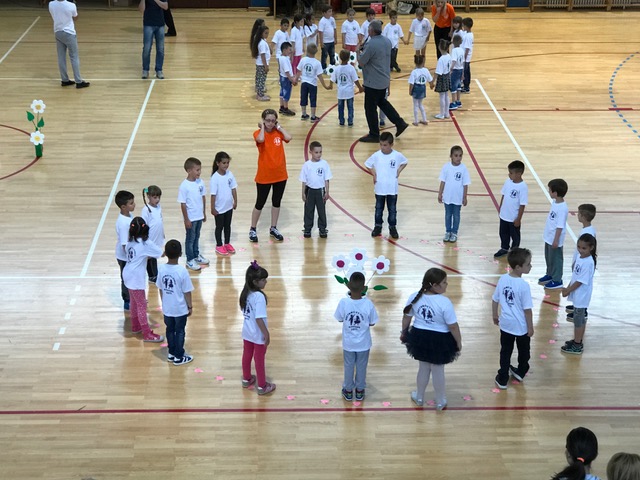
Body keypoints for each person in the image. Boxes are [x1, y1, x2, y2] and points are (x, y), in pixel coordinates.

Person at [401, 268, 462, 410]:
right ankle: (440, 400)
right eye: (444, 282)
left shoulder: (414, 297)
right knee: (438, 370)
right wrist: (458, 341)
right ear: (434, 285)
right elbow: (453, 326)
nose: (447, 284)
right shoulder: (444, 302)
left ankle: (419, 397)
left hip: (420, 337)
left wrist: (404, 332)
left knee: (423, 368)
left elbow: (406, 317)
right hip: (440, 339)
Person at [357, 20, 410, 143]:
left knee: (370, 108)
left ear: (371, 31)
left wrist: (358, 51)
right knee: (382, 103)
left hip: (373, 82)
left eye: (369, 29)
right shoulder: (387, 41)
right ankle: (400, 123)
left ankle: (374, 134)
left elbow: (362, 62)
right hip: (384, 79)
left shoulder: (371, 44)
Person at [492, 247, 534, 390]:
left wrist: (494, 315)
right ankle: (521, 371)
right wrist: (530, 327)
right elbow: (527, 310)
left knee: (505, 351)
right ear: (518, 267)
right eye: (528, 264)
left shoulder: (503, 279)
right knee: (524, 351)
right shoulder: (524, 286)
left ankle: (503, 377)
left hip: (506, 325)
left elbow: (495, 299)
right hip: (521, 327)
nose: (530, 266)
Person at [335, 271, 379, 402]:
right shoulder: (368, 304)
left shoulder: (343, 302)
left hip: (349, 343)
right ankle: (360, 390)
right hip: (363, 344)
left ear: (348, 286)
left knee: (348, 365)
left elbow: (339, 318)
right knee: (361, 366)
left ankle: (348, 390)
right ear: (364, 288)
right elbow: (372, 322)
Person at [250, 109, 292, 243]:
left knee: (276, 202)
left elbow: (288, 137)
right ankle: (253, 228)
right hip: (264, 175)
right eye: (267, 120)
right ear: (263, 120)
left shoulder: (278, 132)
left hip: (280, 175)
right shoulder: (258, 133)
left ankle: (273, 227)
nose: (270, 123)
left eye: (273, 121)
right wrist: (262, 127)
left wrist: (279, 127)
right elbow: (260, 139)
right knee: (260, 203)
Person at [123, 217, 164, 343]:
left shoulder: (130, 242)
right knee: (141, 305)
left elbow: (140, 255)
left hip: (127, 275)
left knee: (134, 303)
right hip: (136, 278)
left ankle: (136, 326)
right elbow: (160, 253)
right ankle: (146, 333)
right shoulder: (146, 243)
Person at [240, 261, 276, 395]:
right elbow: (259, 318)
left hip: (247, 332)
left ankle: (246, 378)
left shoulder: (245, 293)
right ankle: (262, 386)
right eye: (263, 279)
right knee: (259, 359)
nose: (266, 282)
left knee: (247, 355)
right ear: (255, 282)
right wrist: (266, 334)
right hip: (258, 333)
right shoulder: (259, 297)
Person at [156, 239, 194, 365]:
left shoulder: (161, 269)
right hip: (180, 309)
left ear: (165, 253)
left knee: (170, 330)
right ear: (180, 254)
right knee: (180, 331)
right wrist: (190, 306)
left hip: (167, 308)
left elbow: (160, 288)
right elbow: (187, 292)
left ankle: (171, 353)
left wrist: (164, 302)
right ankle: (179, 356)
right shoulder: (182, 271)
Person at [364, 132, 408, 239]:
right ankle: (378, 226)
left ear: (391, 144)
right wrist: (374, 174)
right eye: (381, 145)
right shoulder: (376, 155)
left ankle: (392, 227)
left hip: (392, 188)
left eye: (385, 145)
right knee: (378, 208)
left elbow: (405, 162)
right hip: (380, 188)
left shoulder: (397, 155)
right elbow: (367, 164)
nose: (382, 147)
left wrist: (399, 170)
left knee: (392, 209)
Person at [561, 233, 596, 355]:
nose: (580, 250)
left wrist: (568, 290)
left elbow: (580, 281)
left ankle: (577, 345)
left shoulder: (588, 262)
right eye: (579, 247)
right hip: (578, 295)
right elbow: (575, 276)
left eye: (584, 248)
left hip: (582, 296)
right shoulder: (581, 258)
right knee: (579, 319)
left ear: (591, 248)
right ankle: (578, 340)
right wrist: (568, 287)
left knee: (578, 321)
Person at [48, 0, 90, 88]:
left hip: (57, 31)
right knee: (74, 56)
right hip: (69, 33)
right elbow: (75, 17)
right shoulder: (71, 5)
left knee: (61, 57)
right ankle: (78, 81)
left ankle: (64, 80)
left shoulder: (51, 4)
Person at [566, 204, 597, 320]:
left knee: (582, 289)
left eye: (579, 213)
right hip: (580, 261)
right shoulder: (587, 229)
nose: (577, 215)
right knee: (577, 286)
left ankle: (581, 310)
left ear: (583, 216)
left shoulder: (588, 233)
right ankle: (577, 307)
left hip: (582, 262)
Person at [178, 157, 209, 271]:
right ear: (189, 170)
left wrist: (204, 212)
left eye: (200, 169)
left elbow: (203, 198)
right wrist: (186, 219)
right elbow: (183, 204)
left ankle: (196, 255)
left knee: (196, 236)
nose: (199, 172)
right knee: (190, 238)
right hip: (191, 218)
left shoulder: (200, 182)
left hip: (199, 216)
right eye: (197, 170)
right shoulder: (184, 186)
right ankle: (190, 259)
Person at [539, 178, 569, 290]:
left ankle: (557, 280)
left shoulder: (562, 208)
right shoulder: (555, 202)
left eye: (550, 190)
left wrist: (556, 240)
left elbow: (560, 226)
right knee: (549, 257)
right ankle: (550, 274)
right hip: (549, 237)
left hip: (555, 239)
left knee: (556, 259)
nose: (548, 192)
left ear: (555, 193)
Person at [494, 160, 528, 258]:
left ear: (519, 174)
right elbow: (503, 195)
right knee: (503, 233)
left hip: (513, 218)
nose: (509, 174)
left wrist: (518, 219)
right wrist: (500, 208)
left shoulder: (523, 187)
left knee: (515, 236)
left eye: (511, 173)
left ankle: (514, 251)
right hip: (504, 215)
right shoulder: (508, 182)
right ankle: (504, 248)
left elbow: (522, 205)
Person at [438, 145, 470, 243]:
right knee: (448, 215)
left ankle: (454, 232)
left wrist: (464, 197)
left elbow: (465, 184)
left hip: (457, 198)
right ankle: (448, 231)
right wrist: (440, 193)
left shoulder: (463, 168)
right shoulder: (446, 167)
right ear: (451, 156)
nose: (458, 158)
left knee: (456, 215)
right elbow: (442, 181)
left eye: (460, 155)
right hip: (448, 197)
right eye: (456, 155)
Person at [300, 141, 332, 238]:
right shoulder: (307, 165)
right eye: (316, 152)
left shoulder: (324, 164)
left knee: (321, 211)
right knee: (308, 210)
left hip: (320, 190)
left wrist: (327, 192)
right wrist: (303, 193)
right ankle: (307, 229)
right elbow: (303, 180)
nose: (319, 154)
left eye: (320, 152)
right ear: (311, 152)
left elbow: (327, 179)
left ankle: (322, 229)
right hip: (309, 190)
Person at [209, 152, 238, 257]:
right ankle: (219, 245)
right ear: (218, 163)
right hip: (219, 209)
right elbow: (213, 195)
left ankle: (227, 243)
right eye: (224, 163)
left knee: (227, 226)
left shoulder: (230, 174)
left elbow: (233, 188)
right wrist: (212, 208)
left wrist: (235, 201)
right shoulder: (215, 178)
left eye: (227, 163)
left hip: (228, 207)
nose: (226, 165)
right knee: (219, 227)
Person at [296, 44, 332, 122]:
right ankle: (313, 116)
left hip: (304, 83)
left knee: (303, 98)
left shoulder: (303, 60)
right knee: (313, 99)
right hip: (312, 84)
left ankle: (304, 114)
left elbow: (298, 70)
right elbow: (320, 76)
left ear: (307, 51)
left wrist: (295, 79)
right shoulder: (317, 63)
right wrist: (325, 86)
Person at [331, 49, 363, 127]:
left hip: (340, 92)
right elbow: (355, 80)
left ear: (340, 57)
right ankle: (350, 121)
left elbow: (332, 79)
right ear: (349, 58)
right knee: (350, 107)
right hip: (349, 92)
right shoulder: (351, 68)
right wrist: (360, 88)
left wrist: (330, 85)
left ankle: (341, 121)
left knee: (340, 107)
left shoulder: (337, 68)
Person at [114, 190, 135, 310]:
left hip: (128, 256)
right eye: (131, 203)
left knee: (131, 277)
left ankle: (133, 298)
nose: (134, 205)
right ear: (123, 207)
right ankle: (127, 301)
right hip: (124, 257)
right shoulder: (123, 223)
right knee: (126, 278)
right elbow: (124, 244)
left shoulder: (129, 216)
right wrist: (131, 257)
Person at [140, 185, 165, 283]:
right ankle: (152, 275)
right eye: (155, 197)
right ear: (148, 197)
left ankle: (155, 274)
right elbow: (144, 225)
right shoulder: (146, 210)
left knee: (154, 255)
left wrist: (162, 233)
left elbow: (160, 220)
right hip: (150, 237)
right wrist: (145, 238)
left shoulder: (158, 207)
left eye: (159, 197)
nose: (157, 199)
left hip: (157, 236)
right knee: (150, 256)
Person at [139, 0, 168, 80]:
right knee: (147, 48)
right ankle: (145, 70)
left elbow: (165, 6)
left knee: (160, 49)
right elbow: (141, 10)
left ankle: (159, 70)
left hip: (160, 25)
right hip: (148, 24)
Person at [408, 54, 434, 126]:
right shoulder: (426, 70)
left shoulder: (414, 72)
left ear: (415, 62)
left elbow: (411, 83)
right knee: (420, 104)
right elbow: (430, 80)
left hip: (416, 88)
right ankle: (424, 119)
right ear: (423, 62)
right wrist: (431, 85)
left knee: (415, 105)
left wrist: (410, 91)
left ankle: (416, 121)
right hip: (423, 88)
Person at [251, 24, 271, 102]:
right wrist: (266, 66)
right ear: (261, 33)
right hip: (262, 64)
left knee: (259, 78)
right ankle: (260, 95)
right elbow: (263, 55)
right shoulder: (262, 43)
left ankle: (259, 93)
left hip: (260, 64)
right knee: (261, 80)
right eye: (265, 33)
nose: (267, 35)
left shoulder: (262, 41)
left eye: (268, 33)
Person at [433, 39, 452, 120]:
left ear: (439, 47)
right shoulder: (449, 56)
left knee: (442, 96)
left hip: (442, 78)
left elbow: (438, 72)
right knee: (446, 95)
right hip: (447, 76)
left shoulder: (441, 59)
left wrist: (432, 81)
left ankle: (441, 114)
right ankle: (446, 113)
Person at [278, 42, 297, 116]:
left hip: (282, 77)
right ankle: (285, 108)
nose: (290, 51)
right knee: (286, 93)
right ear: (284, 50)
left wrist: (291, 54)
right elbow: (287, 72)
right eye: (289, 50)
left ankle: (281, 107)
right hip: (286, 78)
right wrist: (292, 80)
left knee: (282, 92)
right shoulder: (285, 60)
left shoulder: (281, 57)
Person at [318, 5, 337, 70]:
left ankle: (332, 66)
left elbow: (334, 29)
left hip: (332, 41)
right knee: (324, 56)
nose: (330, 13)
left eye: (331, 11)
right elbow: (321, 32)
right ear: (324, 13)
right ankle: (323, 68)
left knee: (332, 55)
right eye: (329, 11)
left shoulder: (332, 19)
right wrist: (321, 42)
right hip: (325, 42)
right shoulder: (322, 21)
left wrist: (335, 38)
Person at [448, 34, 464, 111]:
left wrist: (451, 68)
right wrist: (463, 72)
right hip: (460, 69)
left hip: (455, 70)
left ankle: (453, 102)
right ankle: (458, 101)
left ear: (454, 42)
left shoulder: (454, 50)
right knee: (458, 86)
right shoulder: (462, 50)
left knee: (453, 86)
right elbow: (463, 62)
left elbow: (454, 60)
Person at [461, 17, 474, 93]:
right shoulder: (467, 34)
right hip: (465, 57)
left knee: (466, 72)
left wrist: (464, 58)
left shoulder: (468, 36)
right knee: (466, 71)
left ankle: (466, 87)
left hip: (466, 58)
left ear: (466, 26)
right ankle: (465, 85)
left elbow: (467, 49)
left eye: (463, 25)